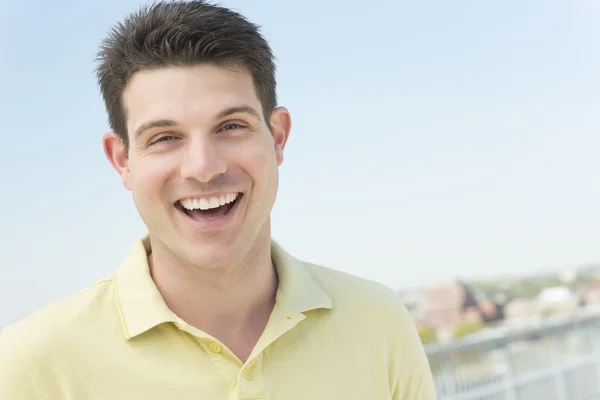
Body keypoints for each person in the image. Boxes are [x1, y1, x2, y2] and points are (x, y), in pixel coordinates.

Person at [0, 1, 436, 398]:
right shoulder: (32, 366)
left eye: (230, 126)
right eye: (165, 137)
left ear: (278, 137)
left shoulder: (378, 322)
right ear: (122, 161)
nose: (203, 167)